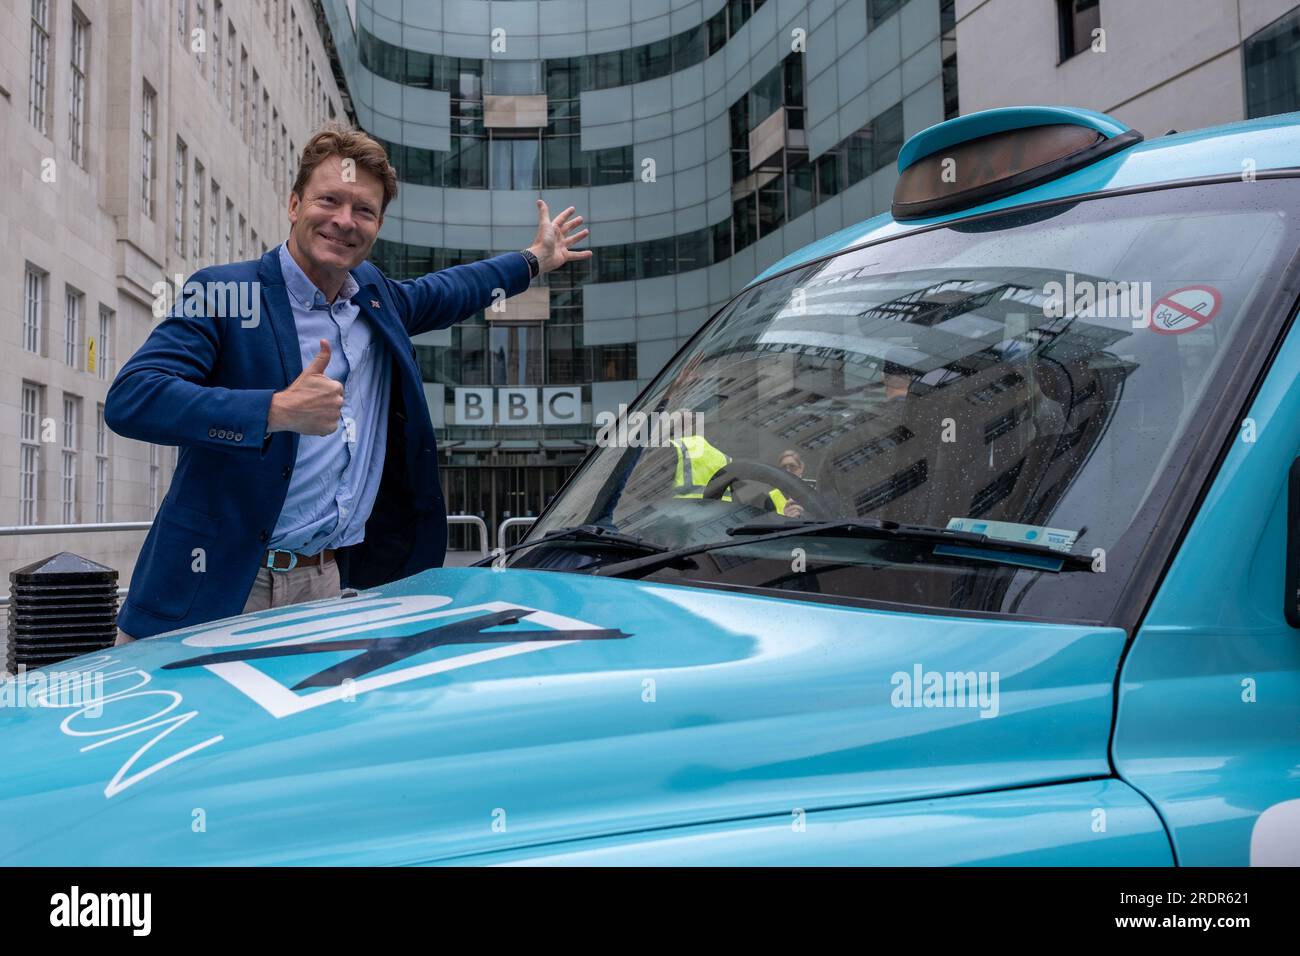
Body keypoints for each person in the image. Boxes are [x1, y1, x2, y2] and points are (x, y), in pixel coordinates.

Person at [107, 122, 590, 643]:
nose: (344, 221)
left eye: (364, 210)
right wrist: (273, 410)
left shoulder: (377, 299)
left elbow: (453, 288)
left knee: (306, 726)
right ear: (294, 205)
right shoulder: (227, 292)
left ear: (377, 225)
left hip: (329, 582)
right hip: (221, 584)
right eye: (329, 201)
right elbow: (134, 397)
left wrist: (535, 259)